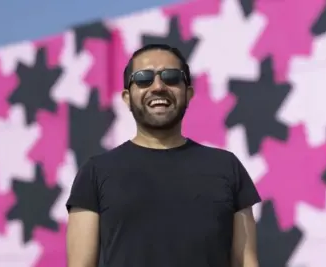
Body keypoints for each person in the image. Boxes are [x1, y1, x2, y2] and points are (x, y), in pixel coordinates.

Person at [66, 43, 261, 267]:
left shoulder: (227, 167)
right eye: (143, 79)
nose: (158, 86)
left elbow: (247, 262)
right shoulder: (95, 173)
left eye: (171, 77)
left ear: (188, 94)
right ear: (127, 97)